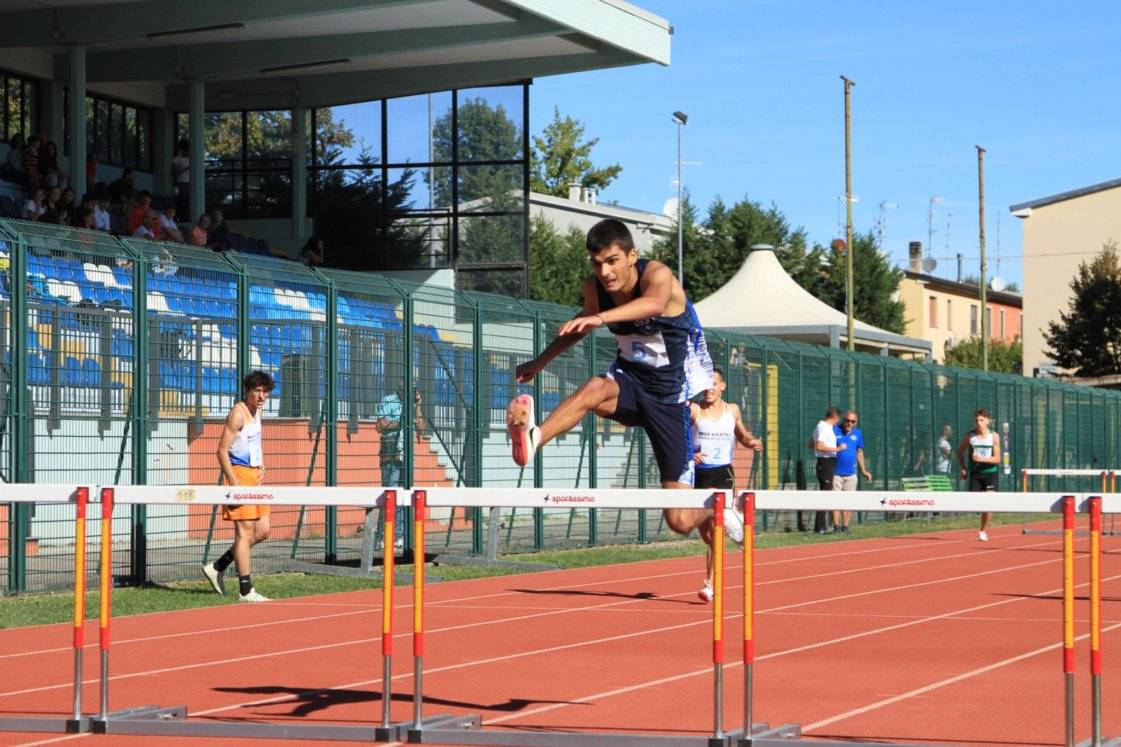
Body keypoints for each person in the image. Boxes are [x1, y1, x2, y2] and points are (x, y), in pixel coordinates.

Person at [508, 219, 723, 556]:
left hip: (670, 401)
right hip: (631, 385)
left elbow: (653, 304)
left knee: (680, 521)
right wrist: (541, 361)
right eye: (597, 263)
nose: (604, 272)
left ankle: (718, 505)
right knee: (595, 387)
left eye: (612, 261)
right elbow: (579, 328)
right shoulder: (595, 288)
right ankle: (535, 439)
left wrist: (600, 319)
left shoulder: (658, 275)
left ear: (631, 255)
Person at [201, 371, 275, 602]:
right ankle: (246, 590)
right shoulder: (237, 414)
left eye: (265, 391)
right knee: (244, 533)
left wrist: (262, 464)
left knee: (262, 531)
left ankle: (218, 566)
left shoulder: (258, 410)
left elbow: (255, 441)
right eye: (257, 391)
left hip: (255, 476)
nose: (262, 396)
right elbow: (222, 451)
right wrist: (234, 483)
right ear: (248, 391)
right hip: (239, 476)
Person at [691, 367, 762, 601]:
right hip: (697, 475)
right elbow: (677, 439)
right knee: (708, 536)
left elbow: (741, 436)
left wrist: (751, 442)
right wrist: (690, 453)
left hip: (723, 473)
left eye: (713, 384)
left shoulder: (732, 410)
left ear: (722, 386)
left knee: (716, 527)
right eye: (705, 384)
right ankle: (740, 531)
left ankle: (710, 585)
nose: (708, 389)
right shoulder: (693, 410)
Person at [374, 387, 424, 550]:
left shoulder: (412, 404)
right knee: (390, 494)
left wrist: (417, 407)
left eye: (415, 390)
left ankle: (399, 535)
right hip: (391, 452)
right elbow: (381, 425)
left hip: (407, 454)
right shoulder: (388, 400)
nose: (412, 392)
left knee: (403, 496)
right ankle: (382, 536)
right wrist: (403, 422)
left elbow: (421, 428)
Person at [956, 408, 1001, 541]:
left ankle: (983, 530)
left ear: (988, 421)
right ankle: (982, 513)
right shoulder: (970, 436)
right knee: (976, 504)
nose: (979, 423)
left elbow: (997, 459)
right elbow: (959, 452)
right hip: (975, 474)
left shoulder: (994, 436)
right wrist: (963, 468)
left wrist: (981, 459)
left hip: (990, 474)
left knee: (989, 503)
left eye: (981, 420)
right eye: (976, 420)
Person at [831, 410, 872, 532]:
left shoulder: (858, 433)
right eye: (847, 420)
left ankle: (845, 526)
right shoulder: (834, 430)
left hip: (851, 474)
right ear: (843, 420)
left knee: (849, 502)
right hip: (835, 473)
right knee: (835, 501)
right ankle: (836, 527)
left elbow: (859, 452)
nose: (849, 423)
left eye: (852, 421)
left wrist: (864, 471)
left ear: (856, 422)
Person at [810, 407, 846, 534]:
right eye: (838, 419)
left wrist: (819, 449)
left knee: (825, 493)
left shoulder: (820, 426)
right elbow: (819, 445)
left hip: (825, 462)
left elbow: (811, 444)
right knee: (825, 494)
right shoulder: (825, 427)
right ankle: (820, 527)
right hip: (825, 462)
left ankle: (821, 526)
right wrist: (837, 449)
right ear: (836, 417)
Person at [172, 140, 190, 216]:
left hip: (190, 183)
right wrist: (186, 168)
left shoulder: (191, 158)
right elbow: (174, 172)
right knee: (182, 200)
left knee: (188, 200)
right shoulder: (177, 159)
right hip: (181, 183)